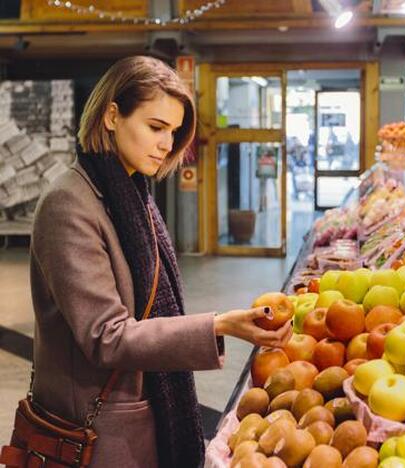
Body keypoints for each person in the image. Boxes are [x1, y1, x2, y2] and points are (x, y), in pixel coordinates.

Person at [27, 56, 292, 467]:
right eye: (155, 127)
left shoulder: (133, 195)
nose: (167, 144)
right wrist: (219, 325)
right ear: (112, 115)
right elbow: (106, 336)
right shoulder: (70, 204)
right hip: (94, 430)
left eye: (173, 131)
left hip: (137, 414)